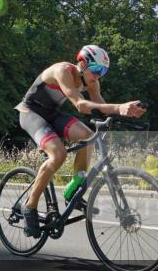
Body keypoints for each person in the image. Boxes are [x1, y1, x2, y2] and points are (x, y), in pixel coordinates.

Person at [15, 45, 145, 238]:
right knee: (59, 154)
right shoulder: (63, 71)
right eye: (97, 70)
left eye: (103, 72)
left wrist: (126, 113)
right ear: (83, 64)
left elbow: (100, 108)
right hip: (31, 113)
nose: (99, 76)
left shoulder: (92, 82)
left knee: (88, 136)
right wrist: (119, 108)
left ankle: (73, 189)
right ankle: (30, 205)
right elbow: (81, 105)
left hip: (52, 114)